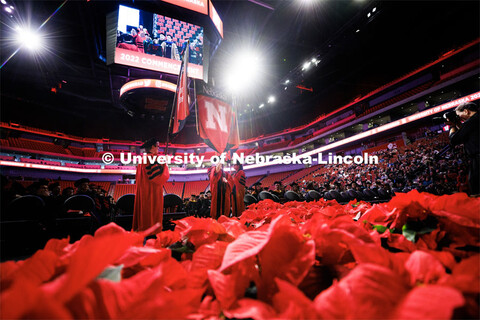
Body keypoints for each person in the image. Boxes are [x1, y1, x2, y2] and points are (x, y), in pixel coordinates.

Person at [133, 138, 170, 232]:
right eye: (157, 146)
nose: (159, 148)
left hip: (143, 191)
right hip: (152, 192)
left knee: (143, 214)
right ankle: (152, 234)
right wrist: (164, 164)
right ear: (152, 147)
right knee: (152, 214)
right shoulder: (152, 158)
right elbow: (158, 178)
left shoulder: (142, 159)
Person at [449, 102, 479, 195]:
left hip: (478, 159)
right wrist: (458, 124)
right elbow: (465, 135)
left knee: (476, 187)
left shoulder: (472, 121)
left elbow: (454, 140)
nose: (459, 118)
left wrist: (453, 125)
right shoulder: (476, 119)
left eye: (459, 115)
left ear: (466, 111)